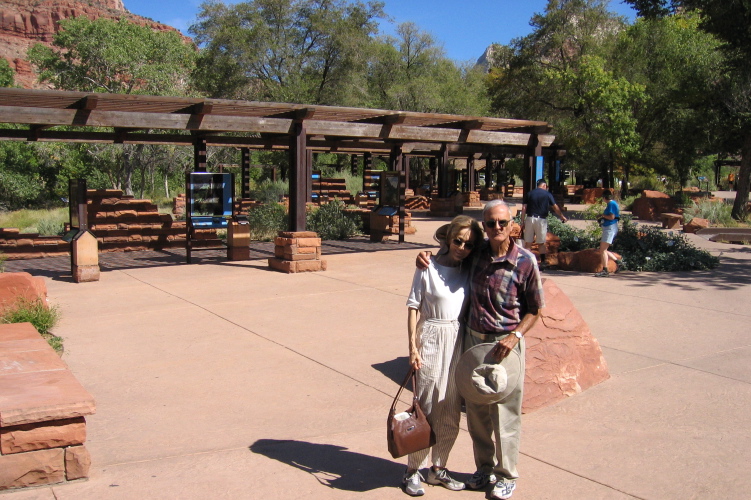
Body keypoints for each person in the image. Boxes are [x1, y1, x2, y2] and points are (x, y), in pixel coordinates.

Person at [417, 200, 544, 499]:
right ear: (484, 226)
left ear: (514, 225)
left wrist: (515, 337)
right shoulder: (476, 254)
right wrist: (424, 257)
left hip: (505, 344)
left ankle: (506, 474)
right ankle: (484, 468)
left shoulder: (525, 261)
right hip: (474, 340)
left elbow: (536, 309)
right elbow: (447, 259)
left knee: (505, 414)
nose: (496, 228)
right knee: (476, 412)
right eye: (490, 223)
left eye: (502, 222)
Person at [403, 215, 483, 497]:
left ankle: (438, 468)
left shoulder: (469, 269)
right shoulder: (427, 267)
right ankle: (413, 470)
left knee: (450, 406)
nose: (462, 247)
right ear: (448, 239)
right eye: (458, 241)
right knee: (426, 405)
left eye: (469, 244)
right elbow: (413, 306)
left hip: (457, 339)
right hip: (431, 337)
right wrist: (412, 347)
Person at [519, 179, 567, 268]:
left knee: (528, 242)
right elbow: (555, 206)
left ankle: (525, 262)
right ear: (544, 185)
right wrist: (561, 216)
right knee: (541, 242)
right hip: (541, 220)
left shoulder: (530, 193)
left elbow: (524, 208)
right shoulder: (547, 194)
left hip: (530, 218)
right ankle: (543, 262)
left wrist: (522, 221)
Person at [594, 189, 622, 277]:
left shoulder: (611, 204)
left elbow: (611, 217)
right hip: (608, 228)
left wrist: (602, 215)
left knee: (602, 250)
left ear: (604, 197)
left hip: (610, 228)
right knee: (603, 249)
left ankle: (605, 270)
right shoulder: (611, 204)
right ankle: (619, 263)